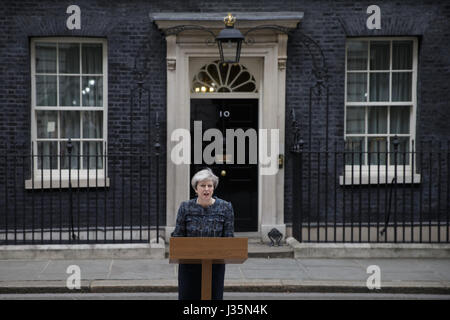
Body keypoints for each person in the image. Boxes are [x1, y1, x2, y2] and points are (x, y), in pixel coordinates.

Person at [171, 168, 234, 300]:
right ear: (195, 189)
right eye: (202, 185)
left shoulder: (225, 207)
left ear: (213, 188)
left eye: (209, 186)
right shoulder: (185, 207)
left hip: (215, 265)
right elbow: (178, 236)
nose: (206, 189)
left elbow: (229, 239)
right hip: (189, 266)